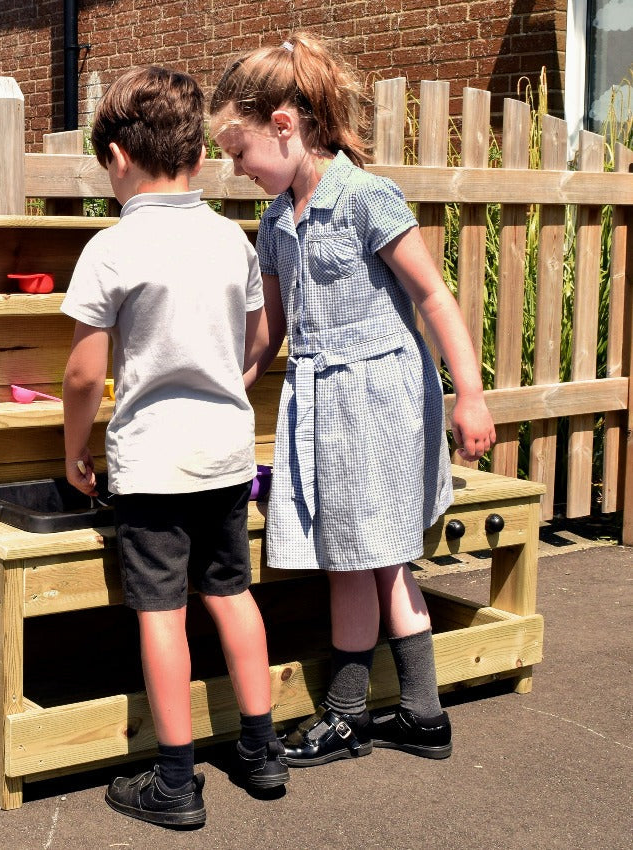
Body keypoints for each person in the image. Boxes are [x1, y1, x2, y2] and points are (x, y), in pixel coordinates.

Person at [209, 33, 496, 768]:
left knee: (376, 556)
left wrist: (469, 396)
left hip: (381, 397)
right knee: (357, 557)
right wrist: (228, 385)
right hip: (319, 404)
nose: (236, 169)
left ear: (284, 125)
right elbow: (270, 330)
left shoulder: (365, 196)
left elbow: (433, 296)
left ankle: (349, 716)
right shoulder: (277, 220)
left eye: (240, 151)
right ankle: (420, 716)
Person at [60, 65, 288, 829]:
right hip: (226, 456)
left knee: (161, 612)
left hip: (154, 463)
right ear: (195, 152)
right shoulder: (231, 240)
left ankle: (175, 781)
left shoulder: (113, 247)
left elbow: (83, 374)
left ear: (118, 157)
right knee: (231, 594)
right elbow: (255, 342)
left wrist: (74, 450)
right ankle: (261, 751)